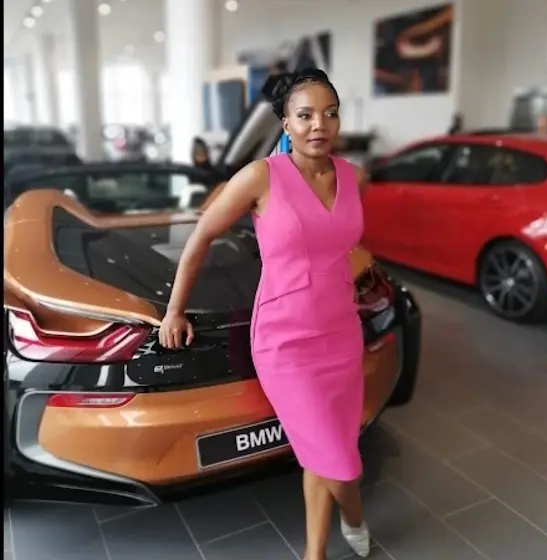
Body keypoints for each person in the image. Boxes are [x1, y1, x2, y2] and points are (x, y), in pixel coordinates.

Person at [158, 68, 371, 560]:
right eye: (305, 115)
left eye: (330, 113)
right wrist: (174, 310)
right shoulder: (261, 176)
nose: (319, 124)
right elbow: (201, 236)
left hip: (341, 332)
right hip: (286, 341)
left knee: (324, 450)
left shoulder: (352, 176)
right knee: (341, 462)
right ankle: (355, 514)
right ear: (285, 123)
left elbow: (343, 244)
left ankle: (315, 553)